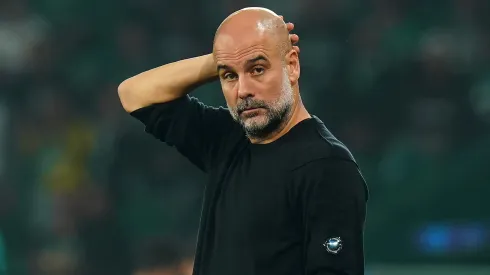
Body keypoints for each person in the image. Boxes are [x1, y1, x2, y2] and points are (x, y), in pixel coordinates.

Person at [118, 7, 368, 275]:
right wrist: (224, 57)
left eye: (257, 69)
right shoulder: (227, 139)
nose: (243, 90)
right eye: (229, 76)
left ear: (292, 65)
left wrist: (234, 59)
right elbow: (134, 94)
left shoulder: (327, 166)